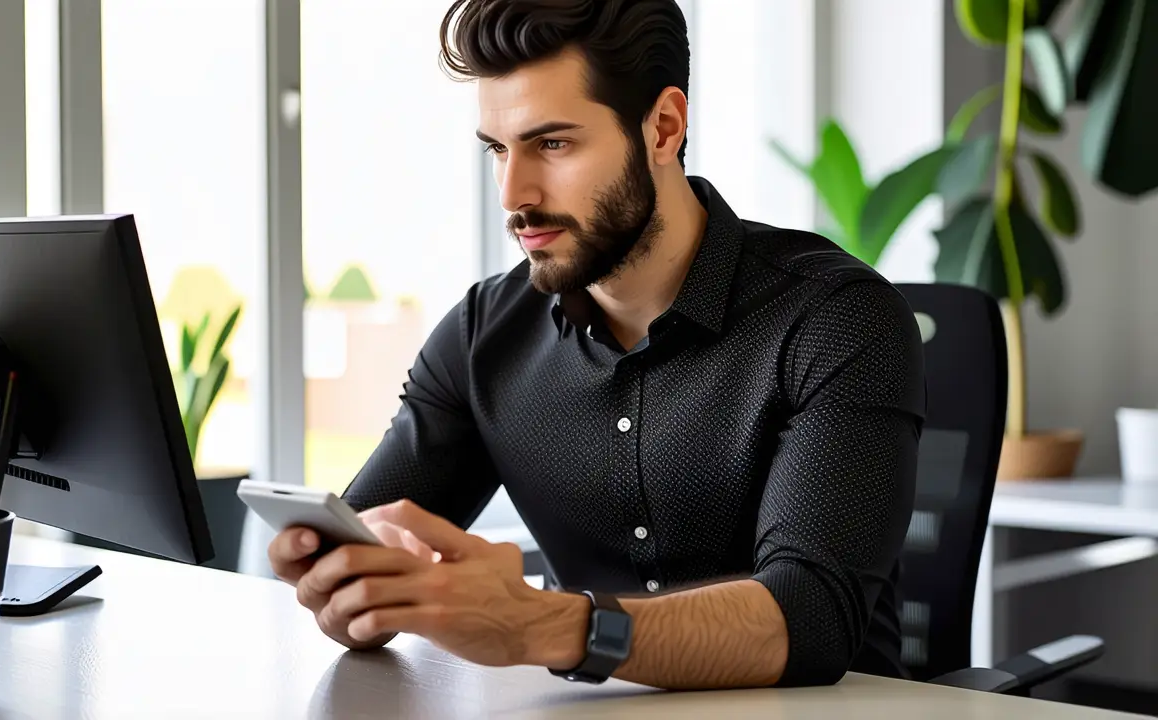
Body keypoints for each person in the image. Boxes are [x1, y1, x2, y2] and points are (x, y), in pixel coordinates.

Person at [270, 0, 925, 691]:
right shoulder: (480, 337)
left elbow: (810, 620)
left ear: (663, 128)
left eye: (552, 144)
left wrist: (541, 624)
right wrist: (351, 588)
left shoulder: (836, 320)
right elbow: (352, 565)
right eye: (497, 149)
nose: (513, 194)